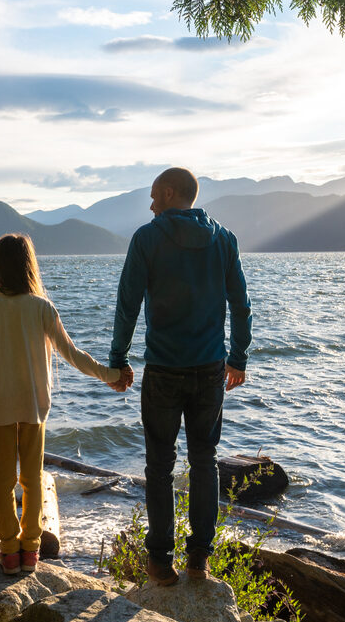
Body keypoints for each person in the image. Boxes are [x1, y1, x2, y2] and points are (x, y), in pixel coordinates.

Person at [108, 167, 252, 586]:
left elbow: (127, 303)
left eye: (154, 196)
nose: (151, 205)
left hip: (165, 369)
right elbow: (241, 304)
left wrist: (118, 357)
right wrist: (237, 357)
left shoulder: (147, 238)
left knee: (159, 464)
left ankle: (159, 561)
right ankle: (199, 560)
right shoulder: (223, 239)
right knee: (204, 461)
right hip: (210, 369)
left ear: (170, 193)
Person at [0, 234, 122, 575]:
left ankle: (8, 552)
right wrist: (110, 375)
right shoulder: (42, 307)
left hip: (0, 407)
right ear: (29, 266)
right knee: (32, 480)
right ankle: (30, 551)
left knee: (3, 481)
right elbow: (73, 354)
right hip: (34, 406)